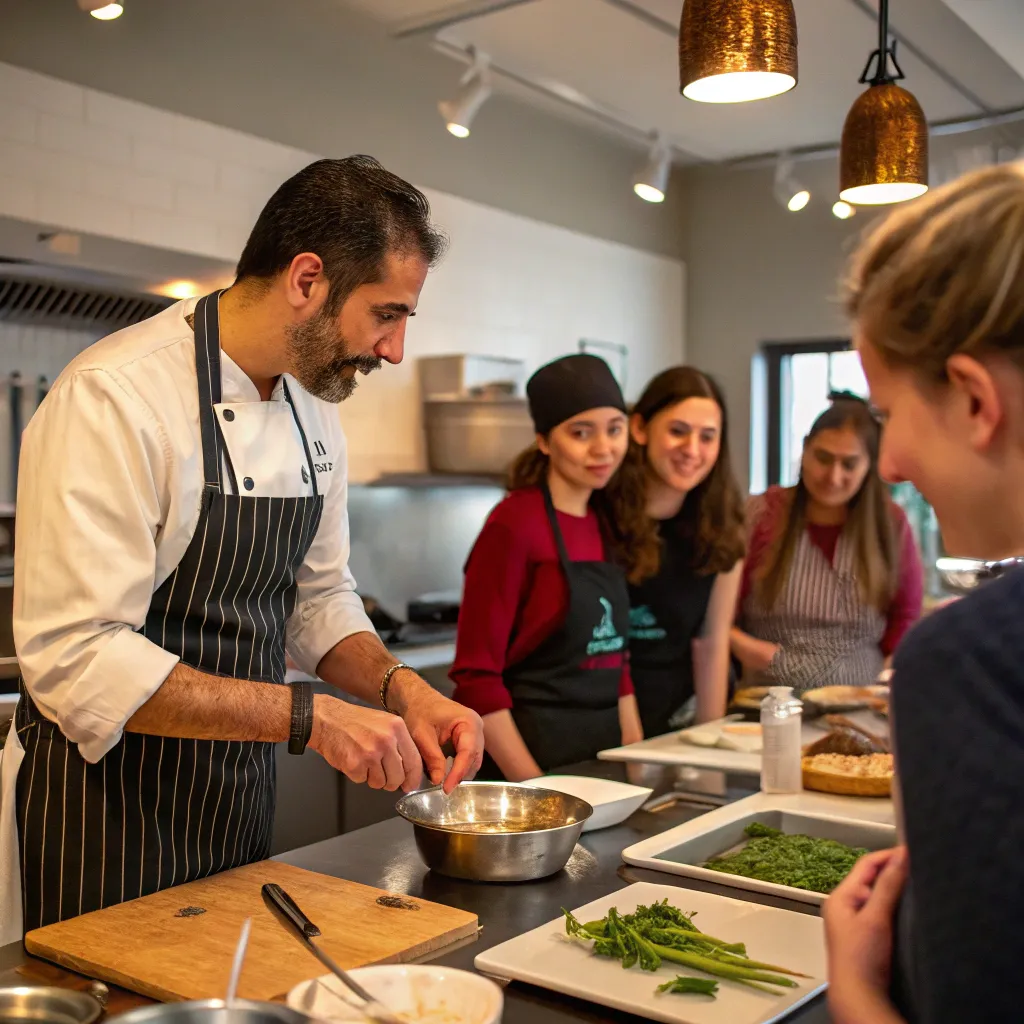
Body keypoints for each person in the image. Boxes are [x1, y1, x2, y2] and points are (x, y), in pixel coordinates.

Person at [0, 156, 485, 942]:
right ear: (306, 281)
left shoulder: (314, 407)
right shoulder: (115, 397)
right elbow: (76, 659)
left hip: (232, 806)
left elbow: (318, 601)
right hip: (104, 814)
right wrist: (310, 716)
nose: (392, 350)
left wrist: (403, 689)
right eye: (385, 314)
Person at [823, 163, 1024, 1023]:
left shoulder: (976, 663)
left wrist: (858, 988)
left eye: (890, 414)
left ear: (975, 400)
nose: (891, 464)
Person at [450, 354, 660, 780]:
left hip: (602, 765)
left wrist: (637, 773)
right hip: (527, 766)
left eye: (614, 430)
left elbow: (616, 667)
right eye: (581, 433)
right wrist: (538, 792)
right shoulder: (513, 523)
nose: (603, 448)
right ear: (545, 441)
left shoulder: (608, 520)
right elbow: (476, 678)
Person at [730, 395, 923, 692]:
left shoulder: (890, 524)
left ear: (869, 466)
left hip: (860, 703)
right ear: (805, 448)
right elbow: (721, 617)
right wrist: (758, 654)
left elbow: (906, 617)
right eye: (823, 458)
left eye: (849, 464)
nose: (833, 477)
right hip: (767, 702)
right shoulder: (761, 515)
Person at [626, 367, 745, 735]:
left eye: (707, 437)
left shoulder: (722, 523)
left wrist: (710, 742)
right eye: (678, 431)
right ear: (640, 428)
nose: (692, 450)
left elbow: (711, 642)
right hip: (598, 721)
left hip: (676, 721)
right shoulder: (601, 515)